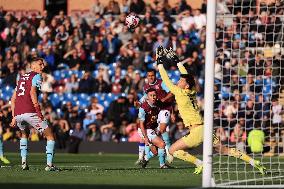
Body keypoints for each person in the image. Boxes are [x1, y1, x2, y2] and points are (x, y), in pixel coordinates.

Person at [156, 46, 266, 174]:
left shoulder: (179, 92)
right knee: (224, 150)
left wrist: (159, 62)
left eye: (180, 80)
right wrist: (177, 61)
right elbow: (186, 75)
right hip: (205, 128)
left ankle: (199, 163)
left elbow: (165, 78)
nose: (178, 81)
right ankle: (253, 162)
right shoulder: (191, 91)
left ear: (185, 85)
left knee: (172, 150)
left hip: (196, 131)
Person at [10, 58, 59, 171]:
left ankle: (23, 163)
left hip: (18, 113)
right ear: (33, 66)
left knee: (24, 135)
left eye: (43, 64)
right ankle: (49, 165)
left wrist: (13, 117)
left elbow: (12, 99)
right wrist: (38, 111)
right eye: (40, 64)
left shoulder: (21, 78)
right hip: (30, 111)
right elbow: (32, 92)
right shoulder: (36, 76)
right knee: (50, 136)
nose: (42, 66)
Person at [135, 68, 174, 165]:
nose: (151, 77)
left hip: (165, 108)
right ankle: (147, 157)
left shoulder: (161, 83)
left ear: (155, 75)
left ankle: (169, 151)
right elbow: (145, 96)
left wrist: (164, 99)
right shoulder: (146, 87)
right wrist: (139, 102)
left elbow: (172, 91)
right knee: (153, 133)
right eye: (149, 76)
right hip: (155, 109)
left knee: (162, 129)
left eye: (152, 75)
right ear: (147, 77)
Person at [138, 88, 169, 169]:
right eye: (151, 95)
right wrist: (145, 137)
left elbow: (168, 106)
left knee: (155, 152)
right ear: (147, 97)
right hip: (144, 129)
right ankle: (162, 165)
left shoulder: (157, 104)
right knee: (162, 144)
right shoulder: (143, 107)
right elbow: (141, 124)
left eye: (154, 95)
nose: (153, 97)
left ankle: (145, 158)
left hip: (151, 129)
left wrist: (171, 114)